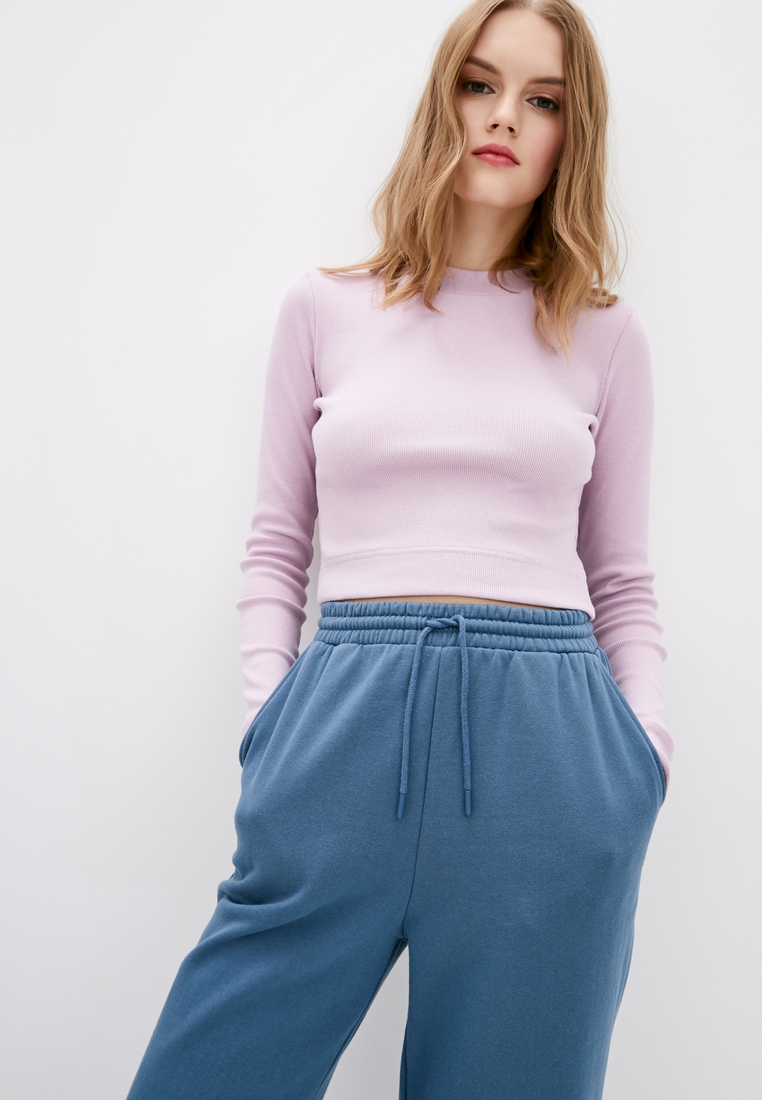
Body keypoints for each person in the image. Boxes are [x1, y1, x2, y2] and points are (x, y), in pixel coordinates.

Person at [126, 0, 673, 1097]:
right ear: (442, 100)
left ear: (572, 135)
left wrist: (642, 753)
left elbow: (621, 578)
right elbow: (277, 547)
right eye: (480, 83)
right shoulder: (325, 308)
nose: (504, 116)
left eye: (543, 99)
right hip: (340, 735)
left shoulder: (604, 333)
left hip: (553, 757)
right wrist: (271, 726)